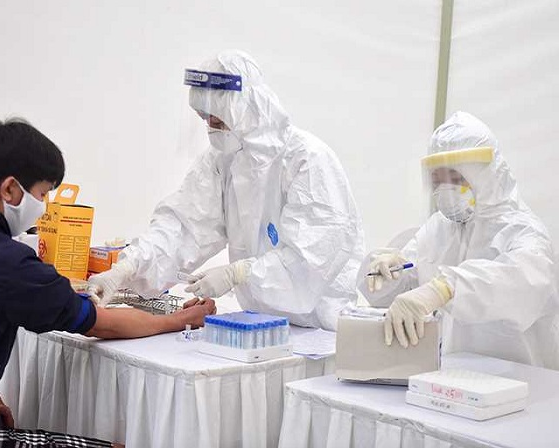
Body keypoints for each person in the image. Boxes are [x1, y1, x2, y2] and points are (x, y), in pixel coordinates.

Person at [0, 118, 216, 448]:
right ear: (10, 190)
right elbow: (100, 323)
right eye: (43, 195)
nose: (44, 208)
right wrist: (178, 320)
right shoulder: (7, 263)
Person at [89, 50, 364, 330]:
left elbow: (311, 262)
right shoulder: (224, 159)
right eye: (204, 117)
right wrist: (128, 268)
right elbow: (185, 228)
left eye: (217, 118)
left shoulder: (307, 160)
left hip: (320, 327)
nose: (210, 126)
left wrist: (239, 273)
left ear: (245, 106)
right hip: (259, 323)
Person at [360, 111, 559, 369]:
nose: (445, 190)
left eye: (455, 178)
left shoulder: (522, 231)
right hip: (453, 376)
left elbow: (520, 282)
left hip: (519, 379)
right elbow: (405, 288)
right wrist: (387, 273)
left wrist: (446, 288)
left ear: (484, 175)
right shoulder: (439, 229)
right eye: (437, 180)